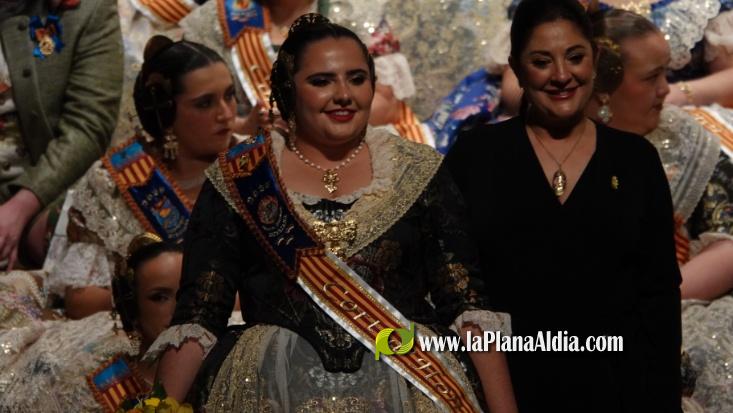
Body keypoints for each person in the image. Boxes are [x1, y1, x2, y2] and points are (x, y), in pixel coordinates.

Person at [146, 14, 517, 412]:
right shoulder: (240, 176)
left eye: (357, 79)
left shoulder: (419, 171)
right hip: (270, 391)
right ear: (289, 89)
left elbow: (466, 305)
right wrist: (157, 407)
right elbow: (199, 316)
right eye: (322, 81)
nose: (343, 94)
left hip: (407, 388)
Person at [445, 0, 681, 411]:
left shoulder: (636, 161)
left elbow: (659, 301)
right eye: (541, 62)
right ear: (517, 69)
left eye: (575, 57)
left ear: (595, 59)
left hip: (619, 394)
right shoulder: (475, 156)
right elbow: (457, 291)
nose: (561, 75)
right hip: (505, 393)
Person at [586, 8, 733, 412]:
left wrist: (649, 304)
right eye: (652, 78)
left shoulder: (685, 138)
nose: (667, 90)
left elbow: (728, 244)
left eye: (666, 73)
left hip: (681, 303)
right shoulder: (558, 151)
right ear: (603, 88)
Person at [43, 36, 238, 320]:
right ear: (166, 113)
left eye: (230, 95)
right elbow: (83, 301)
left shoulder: (262, 164)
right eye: (205, 103)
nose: (226, 114)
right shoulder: (114, 182)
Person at [0, 0, 123, 267]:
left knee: (76, 231)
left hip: (42, 193)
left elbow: (88, 125)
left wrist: (21, 206)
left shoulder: (87, 10)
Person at [0, 233, 183, 411]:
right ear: (133, 308)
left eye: (186, 293)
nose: (179, 307)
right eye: (159, 297)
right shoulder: (100, 380)